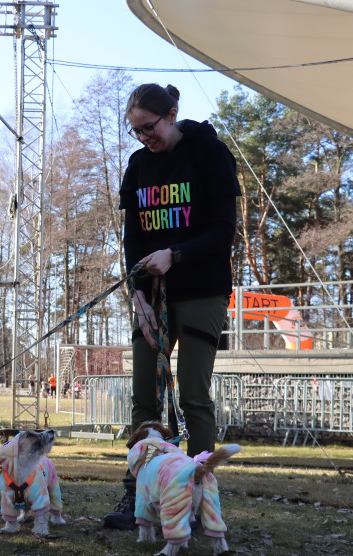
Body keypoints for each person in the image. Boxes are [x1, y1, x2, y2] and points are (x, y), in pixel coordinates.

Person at [103, 82, 241, 530]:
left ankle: (199, 498)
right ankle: (138, 496)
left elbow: (223, 231)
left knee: (193, 395)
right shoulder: (138, 167)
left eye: (150, 127)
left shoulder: (210, 154)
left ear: (172, 113)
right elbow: (133, 239)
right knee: (144, 397)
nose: (146, 138)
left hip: (202, 289)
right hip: (152, 295)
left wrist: (175, 255)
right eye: (137, 132)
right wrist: (137, 294)